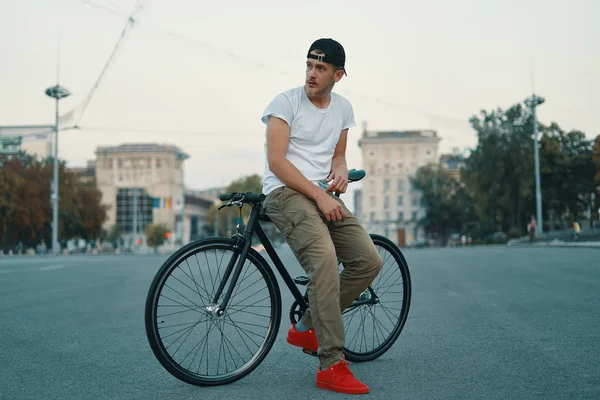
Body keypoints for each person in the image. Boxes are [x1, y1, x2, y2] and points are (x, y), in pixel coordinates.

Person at [260, 38, 383, 395]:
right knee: (325, 261)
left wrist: (341, 170)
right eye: (309, 65)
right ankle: (331, 364)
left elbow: (338, 155)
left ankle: (309, 324)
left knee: (368, 261)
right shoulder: (284, 103)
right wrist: (318, 194)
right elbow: (277, 162)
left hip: (322, 194)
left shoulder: (343, 109)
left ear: (338, 75)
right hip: (286, 193)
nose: (312, 74)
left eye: (321, 68)